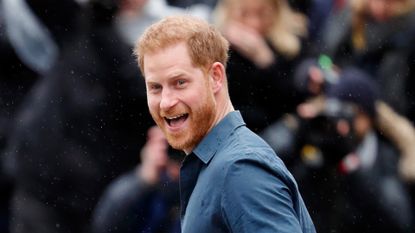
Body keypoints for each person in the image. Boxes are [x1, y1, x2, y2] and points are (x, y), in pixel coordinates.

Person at [134, 15, 316, 233]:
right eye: (155, 87)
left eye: (180, 83)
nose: (166, 102)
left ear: (216, 77)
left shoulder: (240, 169)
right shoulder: (220, 165)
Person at [212, 0, 308, 132]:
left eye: (263, 14)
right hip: (229, 131)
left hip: (272, 132)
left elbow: (292, 102)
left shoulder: (290, 46)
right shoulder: (216, 50)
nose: (254, 23)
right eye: (244, 14)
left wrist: (266, 61)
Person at [92, 126, 182, 233]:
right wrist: (145, 178)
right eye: (170, 146)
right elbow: (105, 225)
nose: (176, 152)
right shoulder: (149, 189)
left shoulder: (199, 182)